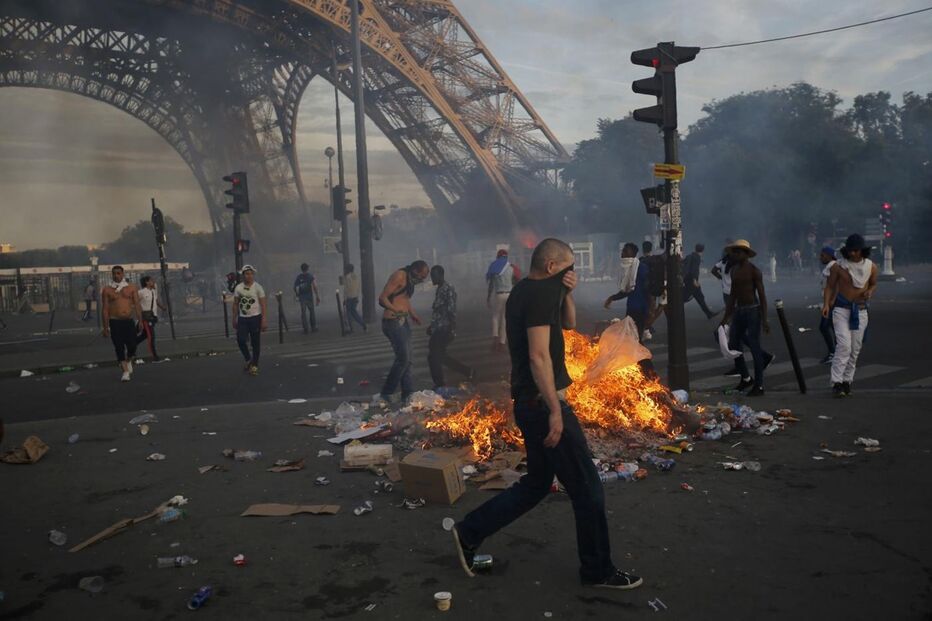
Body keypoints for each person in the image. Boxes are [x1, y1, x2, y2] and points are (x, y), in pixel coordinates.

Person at [450, 238, 642, 590]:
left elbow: (568, 324)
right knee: (588, 488)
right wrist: (555, 410)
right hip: (542, 404)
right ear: (552, 266)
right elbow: (538, 357)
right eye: (569, 268)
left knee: (536, 484)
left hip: (530, 402)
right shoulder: (538, 295)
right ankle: (597, 570)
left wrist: (567, 293)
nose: (573, 273)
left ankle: (469, 531)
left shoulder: (531, 291)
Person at [822, 234, 878, 398]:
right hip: (841, 309)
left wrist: (869, 291)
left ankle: (847, 381)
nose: (852, 253)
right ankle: (836, 382)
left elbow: (873, 284)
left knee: (855, 349)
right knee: (844, 346)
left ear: (862, 250)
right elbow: (829, 286)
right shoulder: (838, 266)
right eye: (850, 250)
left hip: (860, 310)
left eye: (856, 250)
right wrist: (826, 305)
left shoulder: (871, 267)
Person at [720, 240, 774, 396]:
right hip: (739, 311)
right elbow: (732, 296)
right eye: (734, 252)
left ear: (746, 254)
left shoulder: (754, 271)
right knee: (734, 345)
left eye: (738, 252)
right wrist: (726, 317)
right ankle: (745, 378)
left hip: (752, 311)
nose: (735, 255)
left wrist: (764, 319)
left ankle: (759, 385)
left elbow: (762, 296)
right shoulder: (734, 271)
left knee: (754, 346)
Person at [377, 260, 430, 404]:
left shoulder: (409, 280)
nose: (422, 280)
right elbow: (382, 298)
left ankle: (408, 393)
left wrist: (412, 314)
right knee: (403, 359)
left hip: (402, 321)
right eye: (422, 276)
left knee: (408, 359)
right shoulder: (400, 276)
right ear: (415, 270)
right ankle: (387, 392)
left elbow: (404, 299)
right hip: (392, 322)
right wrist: (396, 310)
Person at [427, 265, 474, 392]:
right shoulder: (439, 289)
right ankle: (468, 371)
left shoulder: (448, 289)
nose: (432, 278)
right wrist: (431, 326)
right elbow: (438, 311)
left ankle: (440, 384)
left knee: (433, 357)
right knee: (440, 356)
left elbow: (451, 310)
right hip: (438, 327)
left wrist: (452, 329)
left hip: (444, 328)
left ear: (441, 275)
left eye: (434, 276)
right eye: (431, 276)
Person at [101, 266, 142, 382]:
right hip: (115, 321)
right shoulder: (107, 290)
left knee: (132, 346)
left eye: (118, 273)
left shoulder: (131, 287)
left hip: (128, 321)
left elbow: (137, 305)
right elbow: (105, 309)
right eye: (114, 273)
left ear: (123, 274)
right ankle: (125, 371)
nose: (116, 275)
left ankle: (128, 360)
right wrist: (105, 327)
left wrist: (140, 320)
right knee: (119, 347)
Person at [604, 243, 651, 338]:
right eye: (623, 251)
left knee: (635, 337)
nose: (622, 253)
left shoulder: (641, 268)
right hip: (631, 308)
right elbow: (627, 291)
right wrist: (612, 298)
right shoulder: (627, 269)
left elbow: (649, 289)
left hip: (641, 309)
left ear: (632, 254)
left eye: (625, 251)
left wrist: (650, 309)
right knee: (631, 337)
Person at [711, 241, 740, 377]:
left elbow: (713, 270)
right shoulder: (737, 264)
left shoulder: (723, 262)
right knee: (732, 321)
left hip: (726, 294)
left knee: (731, 320)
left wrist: (721, 278)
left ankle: (724, 333)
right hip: (735, 294)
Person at [232, 265, 267, 376]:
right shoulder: (238, 288)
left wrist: (264, 319)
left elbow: (263, 304)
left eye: (251, 274)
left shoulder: (258, 287)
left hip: (255, 317)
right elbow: (235, 303)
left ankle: (254, 365)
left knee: (255, 342)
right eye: (247, 274)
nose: (249, 276)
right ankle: (248, 359)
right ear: (243, 275)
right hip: (243, 318)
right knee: (241, 340)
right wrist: (234, 318)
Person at [486, 249, 520, 352]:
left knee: (495, 316)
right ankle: (502, 342)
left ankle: (495, 336)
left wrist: (488, 297)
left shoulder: (494, 267)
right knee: (505, 318)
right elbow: (516, 281)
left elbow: (491, 285)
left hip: (499, 295)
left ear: (498, 256)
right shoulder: (511, 268)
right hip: (509, 295)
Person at [682, 243, 717, 319]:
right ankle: (708, 313)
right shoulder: (697, 257)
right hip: (692, 282)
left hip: (687, 280)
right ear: (702, 250)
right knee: (685, 297)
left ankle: (708, 313)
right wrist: (695, 280)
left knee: (699, 297)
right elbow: (694, 270)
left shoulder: (690, 256)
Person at [136, 275, 167, 361]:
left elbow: (156, 301)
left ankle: (132, 344)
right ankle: (155, 356)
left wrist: (162, 307)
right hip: (146, 318)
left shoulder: (153, 291)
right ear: (147, 282)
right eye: (151, 280)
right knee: (151, 336)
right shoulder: (141, 292)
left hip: (152, 317)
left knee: (144, 335)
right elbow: (135, 303)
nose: (153, 282)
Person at [640, 240, 665, 341]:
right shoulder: (656, 259)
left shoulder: (640, 261)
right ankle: (646, 327)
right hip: (655, 287)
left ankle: (647, 326)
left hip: (643, 288)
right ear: (651, 249)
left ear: (643, 250)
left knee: (647, 310)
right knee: (655, 309)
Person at [817, 246, 837, 365]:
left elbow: (835, 285)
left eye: (822, 255)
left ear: (830, 256)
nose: (820, 257)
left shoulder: (832, 267)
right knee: (833, 327)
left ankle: (833, 353)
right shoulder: (829, 267)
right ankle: (836, 353)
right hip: (829, 302)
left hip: (831, 303)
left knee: (824, 327)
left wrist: (830, 301)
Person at [293, 263, 320, 334]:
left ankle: (305, 328)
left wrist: (297, 295)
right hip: (309, 297)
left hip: (302, 298)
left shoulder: (298, 277)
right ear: (307, 268)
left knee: (303, 313)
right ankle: (313, 327)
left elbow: (295, 287)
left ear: (301, 269)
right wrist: (317, 296)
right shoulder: (310, 276)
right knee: (312, 312)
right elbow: (315, 286)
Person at [342, 264, 366, 333]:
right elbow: (358, 287)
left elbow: (346, 289)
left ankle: (351, 328)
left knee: (349, 313)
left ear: (347, 269)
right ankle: (363, 323)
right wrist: (357, 296)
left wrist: (344, 298)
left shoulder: (347, 277)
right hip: (355, 297)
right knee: (354, 312)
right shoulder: (356, 276)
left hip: (349, 297)